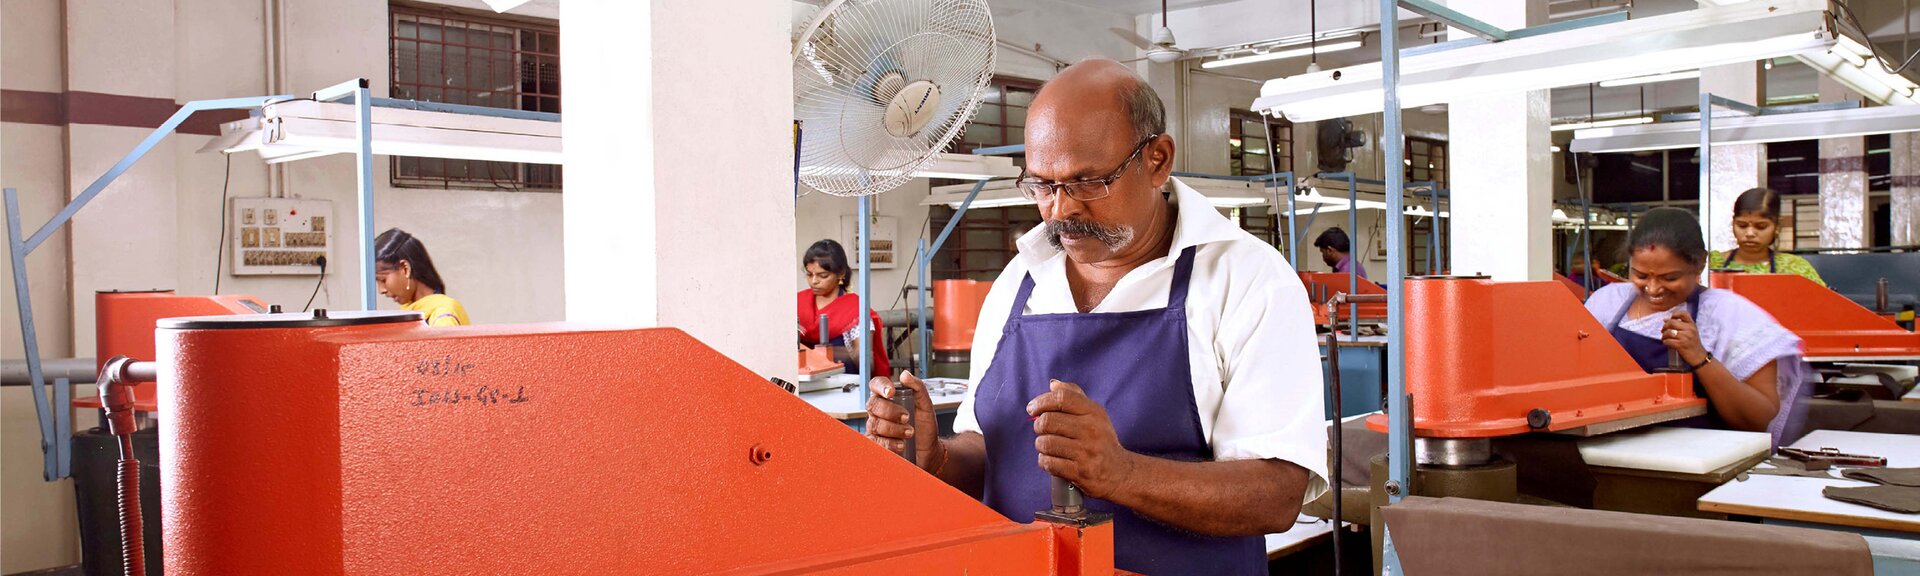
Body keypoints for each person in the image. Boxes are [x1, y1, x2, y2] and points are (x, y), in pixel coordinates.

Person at [862, 59, 1326, 575]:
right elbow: (989, 451)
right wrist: (938, 458)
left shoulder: (1246, 279)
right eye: (1042, 185)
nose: (1061, 210)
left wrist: (1121, 474)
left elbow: (1278, 494)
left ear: (1157, 159)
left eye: (1088, 182)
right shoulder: (1020, 281)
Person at [1584, 208, 1810, 448]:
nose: (1653, 288)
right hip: (1615, 450)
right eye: (1640, 275)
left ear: (1700, 264)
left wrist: (1700, 357)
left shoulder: (1731, 316)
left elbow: (1758, 420)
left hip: (1703, 459)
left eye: (1669, 278)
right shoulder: (1607, 303)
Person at [797, 239, 890, 379]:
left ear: (840, 274)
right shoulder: (798, 302)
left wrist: (832, 353)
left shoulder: (855, 311)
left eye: (823, 276)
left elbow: (867, 364)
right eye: (809, 274)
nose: (814, 281)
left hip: (843, 387)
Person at [1707, 187, 1826, 286]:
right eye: (1742, 225)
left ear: (1777, 226)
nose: (1750, 233)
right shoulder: (1712, 263)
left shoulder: (1794, 267)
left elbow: (1824, 306)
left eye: (1761, 226)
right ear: (1733, 223)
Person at [374, 228, 469, 327]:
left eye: (382, 280)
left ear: (405, 269)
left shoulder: (443, 317)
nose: (381, 290)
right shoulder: (409, 313)